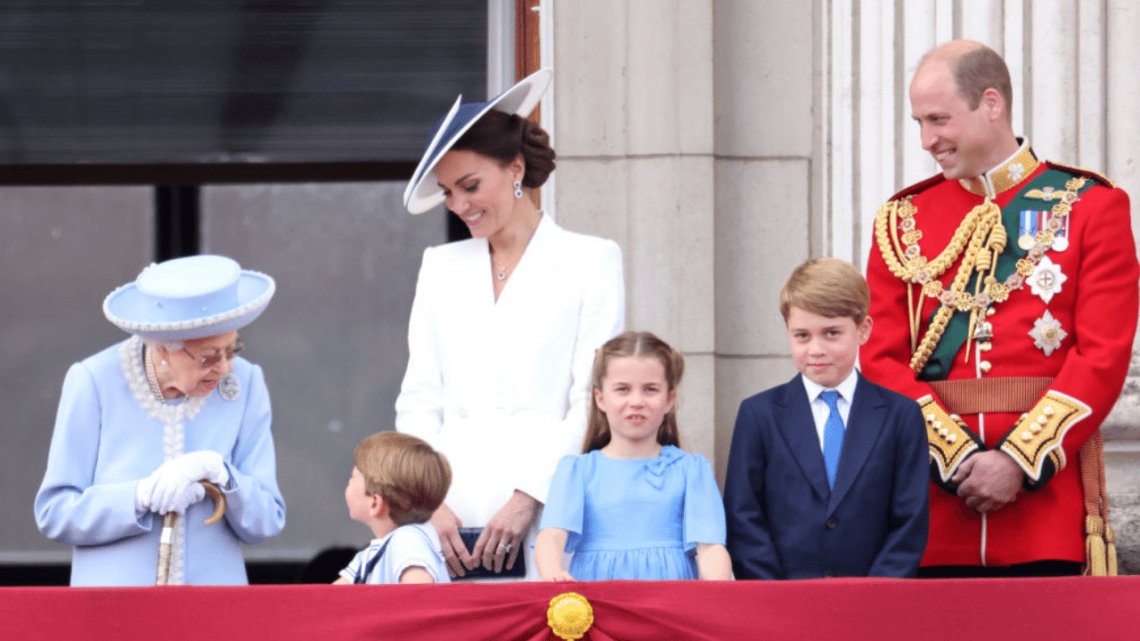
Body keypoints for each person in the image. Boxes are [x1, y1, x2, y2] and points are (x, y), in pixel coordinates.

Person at [861, 40, 1139, 577]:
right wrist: (956, 458)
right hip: (934, 514)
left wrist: (1019, 460)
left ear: (991, 103)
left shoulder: (1090, 206)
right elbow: (879, 359)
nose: (927, 140)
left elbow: (1102, 356)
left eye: (938, 120)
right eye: (919, 122)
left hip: (1046, 511)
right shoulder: (902, 220)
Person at [397, 69, 625, 580]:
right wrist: (428, 502)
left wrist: (530, 497)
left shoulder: (590, 260)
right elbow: (418, 399)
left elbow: (591, 398)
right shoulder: (440, 266)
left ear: (516, 168)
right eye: (447, 191)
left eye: (470, 186)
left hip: (549, 508)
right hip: (448, 515)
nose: (458, 205)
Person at [34, 254, 287, 586]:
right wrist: (139, 496)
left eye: (232, 349)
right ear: (163, 349)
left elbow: (267, 520)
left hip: (214, 608)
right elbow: (54, 513)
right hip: (115, 607)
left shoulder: (246, 384)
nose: (225, 368)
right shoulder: (94, 381)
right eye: (209, 357)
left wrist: (222, 474)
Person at [723, 258, 929, 579]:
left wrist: (876, 595)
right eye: (802, 336)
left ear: (863, 330)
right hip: (783, 599)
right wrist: (775, 595)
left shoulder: (901, 416)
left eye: (831, 333)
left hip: (874, 599)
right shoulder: (759, 415)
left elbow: (910, 520)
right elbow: (743, 516)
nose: (816, 349)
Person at [534, 331, 731, 581]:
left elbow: (710, 548)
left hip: (670, 597)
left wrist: (716, 594)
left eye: (650, 389)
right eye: (622, 389)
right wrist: (554, 577)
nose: (636, 401)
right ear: (600, 398)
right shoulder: (577, 470)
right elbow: (552, 535)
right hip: (596, 598)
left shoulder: (692, 469)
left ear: (670, 399)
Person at [334, 432, 451, 585]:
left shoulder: (408, 539)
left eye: (353, 477)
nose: (348, 482)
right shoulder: (370, 555)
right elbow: (331, 595)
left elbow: (418, 589)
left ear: (374, 503)